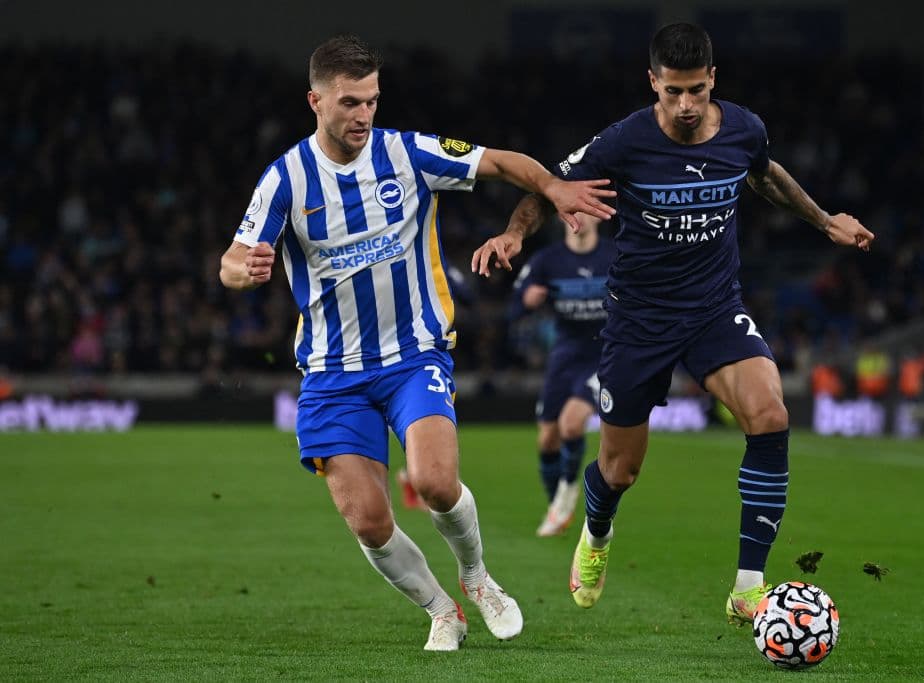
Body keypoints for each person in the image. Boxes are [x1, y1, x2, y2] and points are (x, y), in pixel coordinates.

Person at [219, 34, 615, 651]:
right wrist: (243, 271)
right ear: (315, 101)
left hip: (414, 355)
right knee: (370, 521)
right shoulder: (286, 180)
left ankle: (479, 579)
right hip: (331, 372)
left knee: (434, 482)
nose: (364, 115)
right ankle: (441, 608)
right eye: (350, 102)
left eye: (373, 100)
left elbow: (501, 161)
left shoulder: (407, 154)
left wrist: (556, 189)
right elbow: (232, 260)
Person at [471, 23, 874, 625]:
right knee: (620, 470)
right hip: (638, 319)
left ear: (713, 80)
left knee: (770, 415)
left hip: (714, 307)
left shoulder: (743, 128)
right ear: (653, 83)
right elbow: (550, 189)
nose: (685, 106)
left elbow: (765, 174)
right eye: (672, 93)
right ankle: (598, 531)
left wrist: (824, 220)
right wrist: (513, 232)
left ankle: (747, 586)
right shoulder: (623, 142)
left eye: (696, 91)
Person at [512, 213, 616, 536]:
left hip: (603, 356)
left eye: (587, 212)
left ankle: (569, 491)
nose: (580, 219)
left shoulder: (615, 256)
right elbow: (514, 306)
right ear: (563, 217)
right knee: (547, 439)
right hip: (564, 356)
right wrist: (526, 301)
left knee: (572, 423)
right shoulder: (548, 260)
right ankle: (557, 503)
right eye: (574, 212)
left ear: (599, 217)